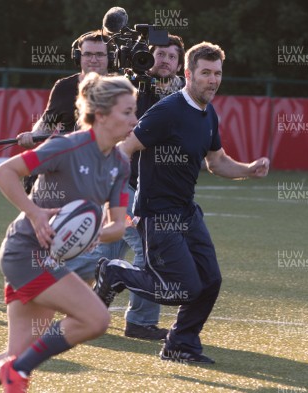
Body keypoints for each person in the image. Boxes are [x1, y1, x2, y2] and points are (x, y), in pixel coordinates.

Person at [0, 73, 136, 393]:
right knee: (95, 319)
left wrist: (96, 235)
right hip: (24, 252)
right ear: (101, 115)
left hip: (49, 258)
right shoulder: (67, 146)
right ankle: (16, 371)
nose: (135, 119)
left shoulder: (120, 163)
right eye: (127, 112)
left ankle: (7, 370)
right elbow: (3, 172)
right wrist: (34, 213)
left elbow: (118, 225)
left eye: (134, 111)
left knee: (14, 354)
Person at [93, 42, 270, 364]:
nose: (212, 80)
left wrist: (248, 170)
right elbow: (124, 149)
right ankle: (116, 273)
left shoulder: (208, 113)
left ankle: (180, 345)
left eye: (217, 74)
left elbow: (216, 161)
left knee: (210, 281)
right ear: (188, 74)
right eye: (205, 73)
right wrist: (114, 198)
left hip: (186, 212)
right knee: (182, 289)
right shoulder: (168, 110)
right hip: (156, 213)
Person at [66, 34, 186, 341]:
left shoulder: (183, 98)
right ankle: (140, 321)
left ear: (179, 63)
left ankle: (60, 294)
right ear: (149, 56)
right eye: (159, 54)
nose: (165, 61)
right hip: (127, 187)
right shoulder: (132, 90)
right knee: (150, 252)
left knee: (100, 255)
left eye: (172, 57)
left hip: (154, 190)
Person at [17, 29, 111, 147]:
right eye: (87, 54)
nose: (93, 60)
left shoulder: (122, 87)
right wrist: (32, 136)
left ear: (111, 58)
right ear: (78, 57)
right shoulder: (63, 87)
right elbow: (46, 125)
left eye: (99, 54)